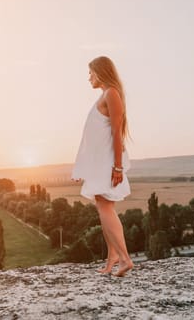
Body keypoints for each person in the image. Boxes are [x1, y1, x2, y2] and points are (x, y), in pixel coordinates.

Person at [71, 56, 134, 277]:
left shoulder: (112, 94)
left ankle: (125, 259)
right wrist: (83, 167)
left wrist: (117, 167)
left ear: (100, 72)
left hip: (108, 163)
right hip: (101, 163)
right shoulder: (106, 95)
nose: (89, 78)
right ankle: (112, 260)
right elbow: (94, 136)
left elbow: (117, 133)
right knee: (103, 206)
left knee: (105, 207)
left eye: (91, 73)